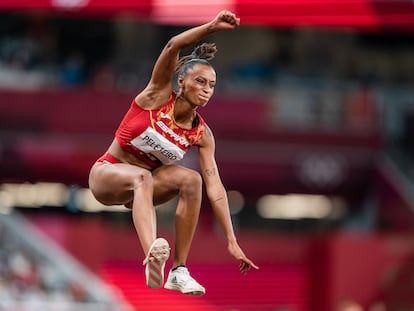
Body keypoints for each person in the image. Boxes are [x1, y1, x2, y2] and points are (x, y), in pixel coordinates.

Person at [88, 10, 258, 296]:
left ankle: (179, 271)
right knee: (142, 176)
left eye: (212, 86)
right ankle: (151, 257)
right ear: (181, 82)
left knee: (192, 180)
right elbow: (173, 45)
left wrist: (231, 239)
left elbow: (215, 187)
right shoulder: (156, 96)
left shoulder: (201, 134)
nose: (207, 91)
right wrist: (211, 27)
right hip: (107, 176)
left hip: (143, 191)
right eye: (200, 82)